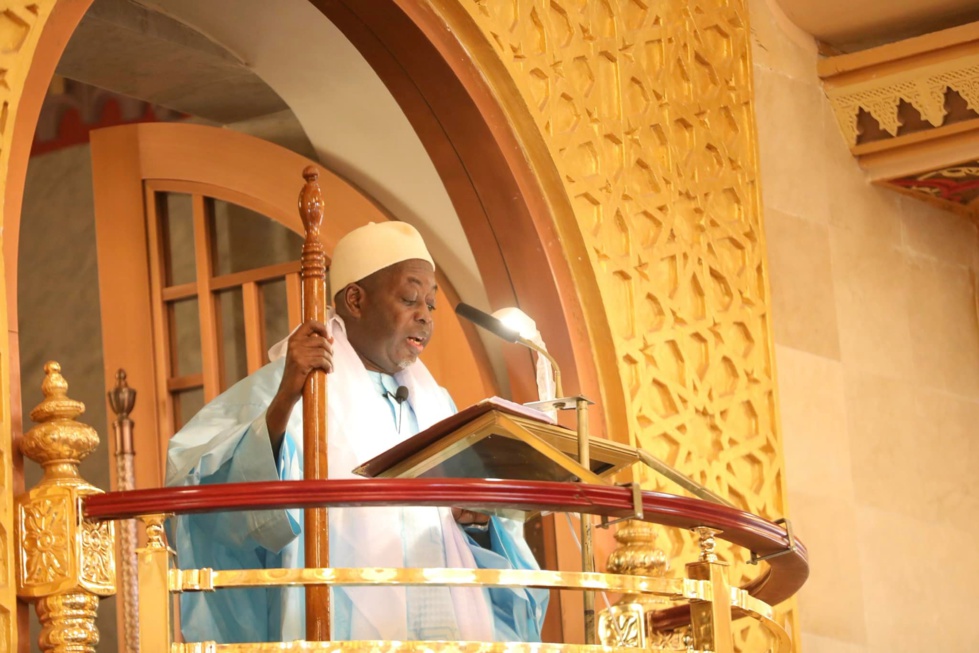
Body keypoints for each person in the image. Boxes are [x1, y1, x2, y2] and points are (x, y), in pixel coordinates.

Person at [166, 221, 548, 644]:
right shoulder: (298, 385)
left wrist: (477, 523)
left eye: (431, 304)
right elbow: (204, 485)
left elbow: (483, 534)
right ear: (355, 300)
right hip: (341, 616)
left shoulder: (438, 403)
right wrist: (284, 401)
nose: (424, 314)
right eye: (409, 298)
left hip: (441, 618)